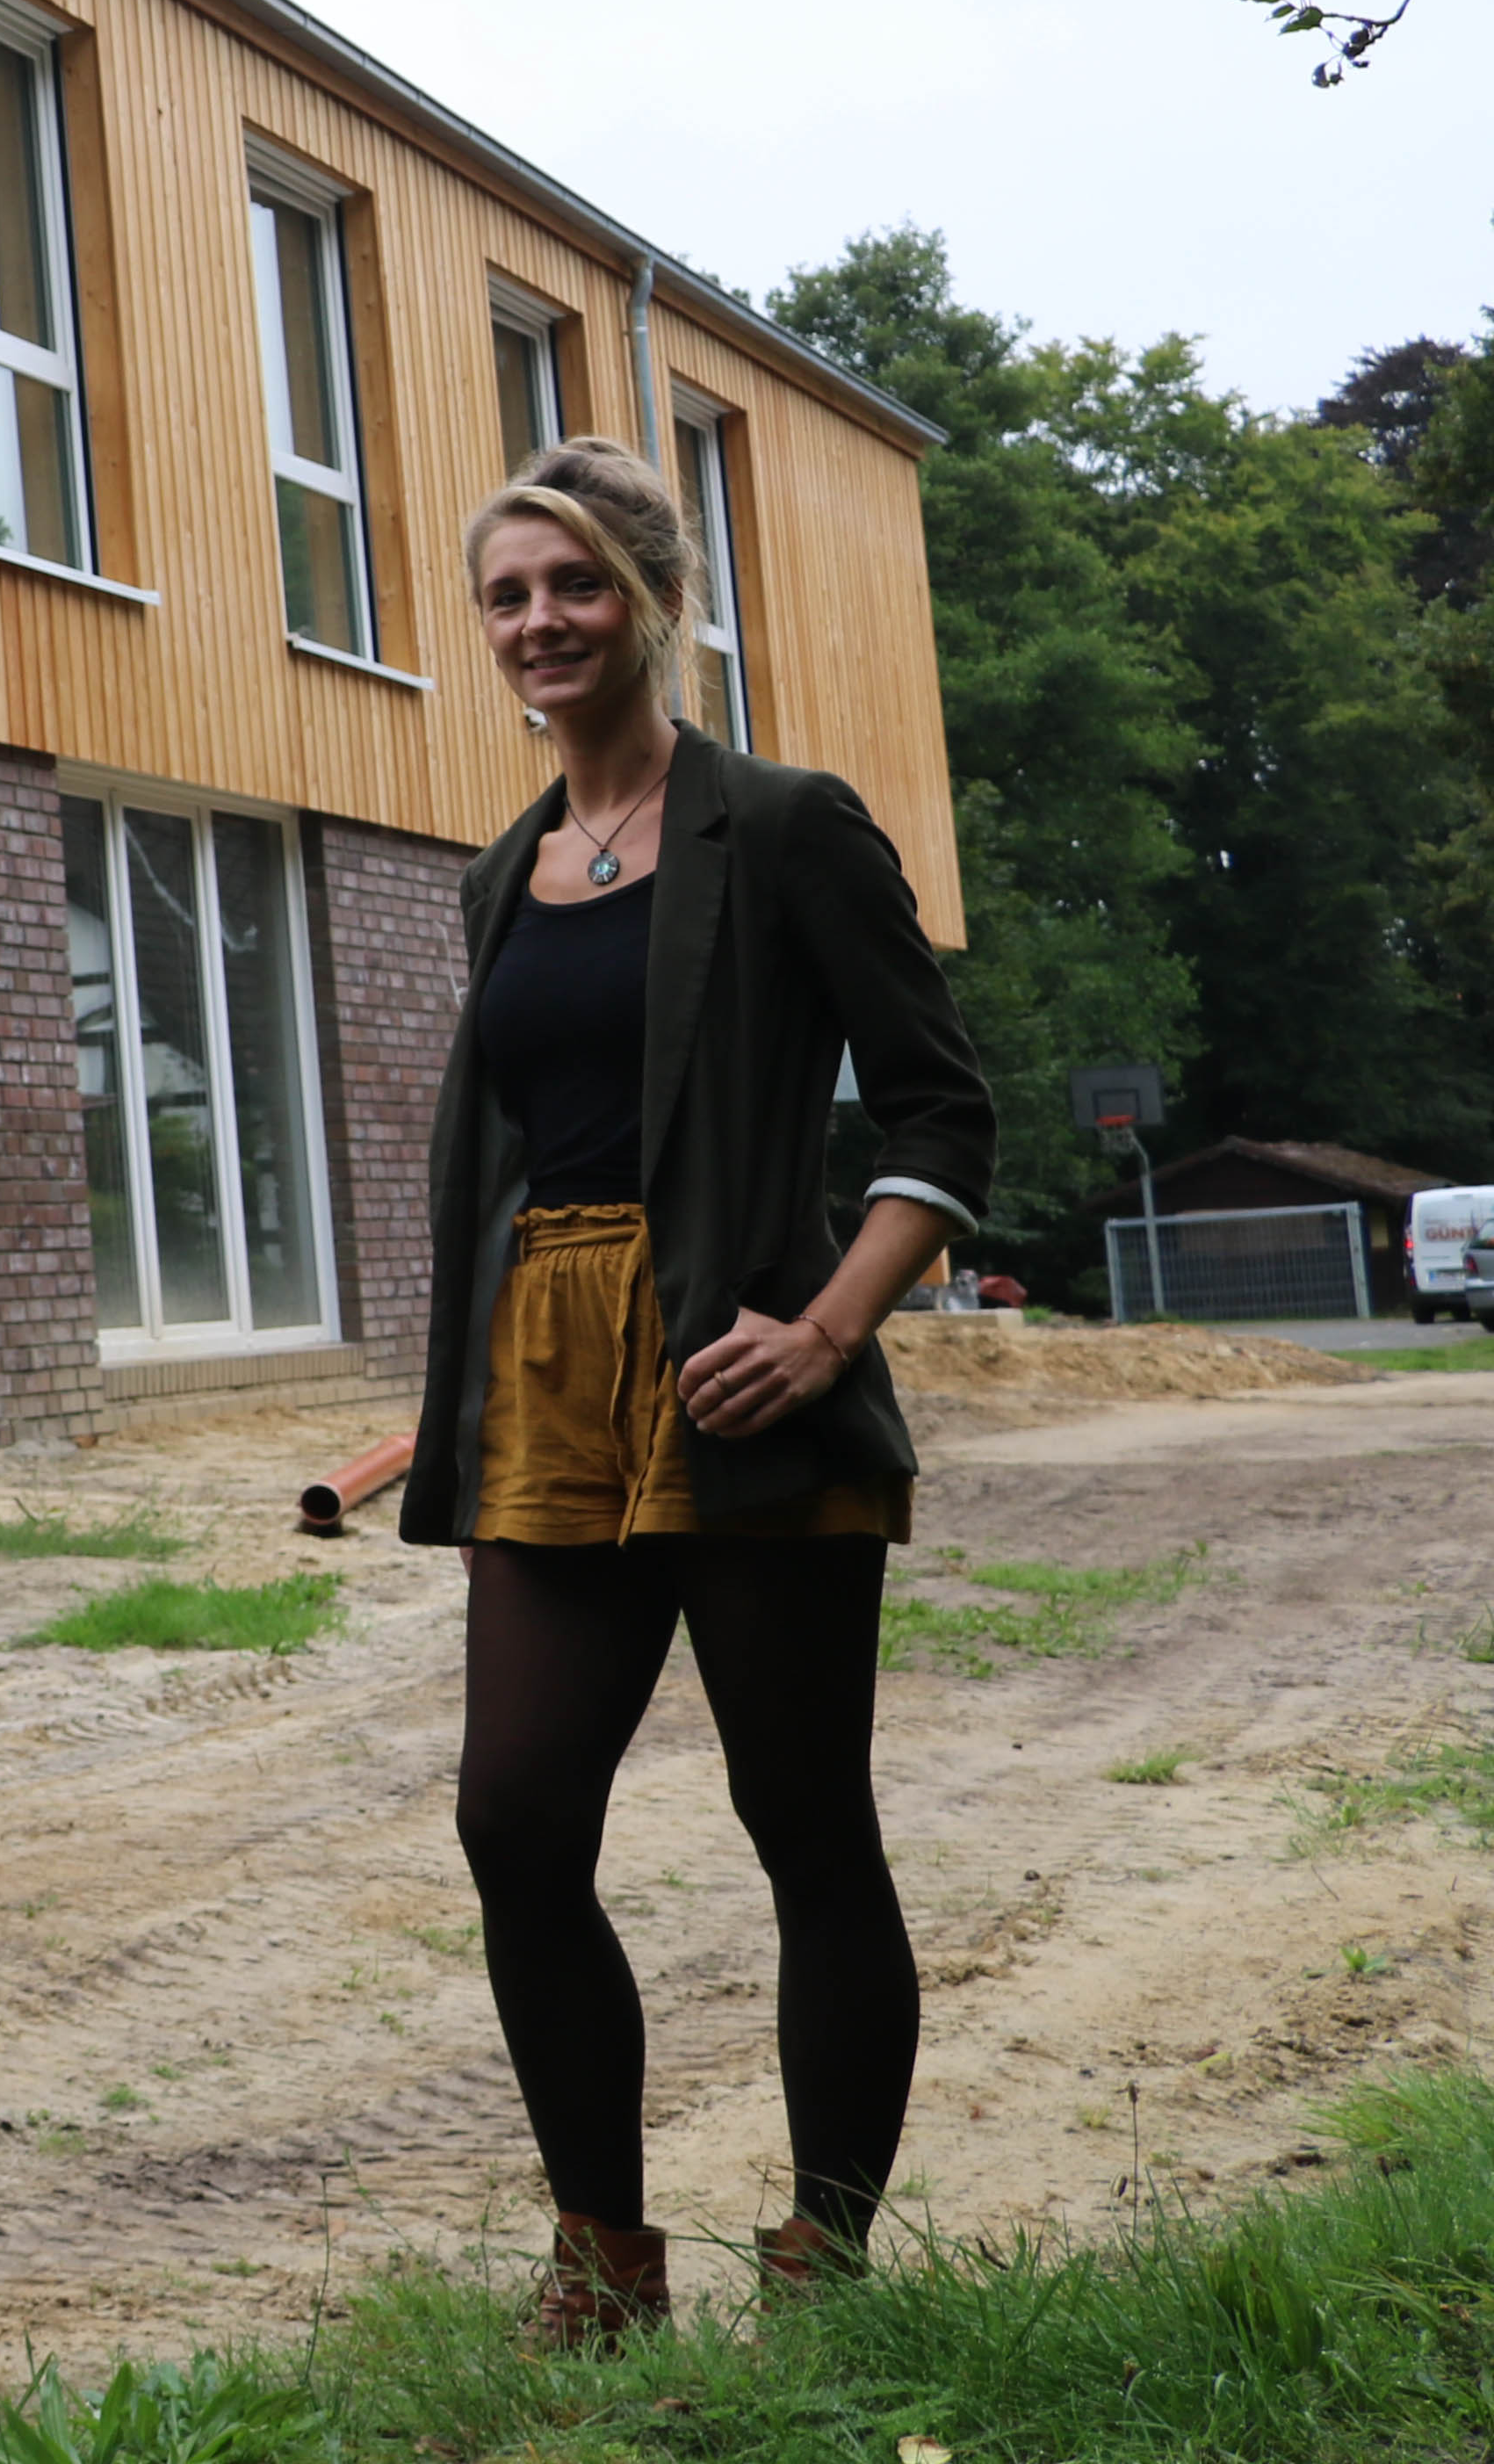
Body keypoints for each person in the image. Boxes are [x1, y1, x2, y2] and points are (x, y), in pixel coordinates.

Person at [394, 434, 996, 2345]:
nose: (540, 621)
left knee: (803, 1820)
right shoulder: (504, 872)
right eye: (508, 593)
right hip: (548, 1382)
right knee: (514, 1822)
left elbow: (940, 1112)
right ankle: (605, 2258)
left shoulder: (789, 825)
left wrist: (827, 1329)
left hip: (750, 1377)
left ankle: (828, 2255)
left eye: (576, 582)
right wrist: (469, 1387)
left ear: (655, 600)